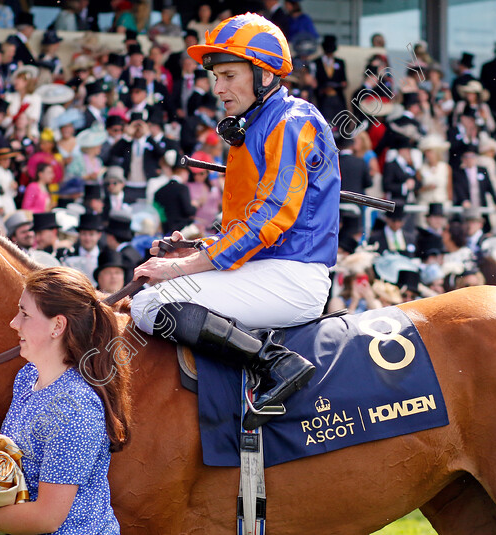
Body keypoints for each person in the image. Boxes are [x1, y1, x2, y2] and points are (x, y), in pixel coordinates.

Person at [131, 13, 340, 430]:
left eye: (229, 75)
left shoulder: (291, 121)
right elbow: (244, 228)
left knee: (150, 303)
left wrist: (180, 268)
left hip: (293, 276)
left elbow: (267, 220)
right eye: (216, 77)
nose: (218, 88)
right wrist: (196, 250)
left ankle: (276, 364)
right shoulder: (256, 123)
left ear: (264, 75)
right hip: (268, 268)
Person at [0, 266, 129, 535]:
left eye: (25, 314)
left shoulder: (76, 407)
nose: (14, 323)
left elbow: (47, 517)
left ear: (58, 326)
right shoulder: (27, 377)